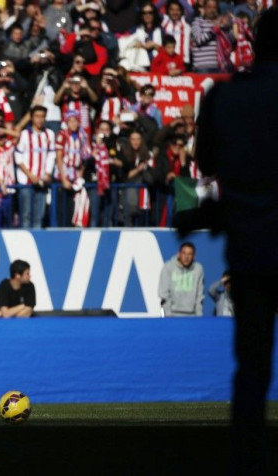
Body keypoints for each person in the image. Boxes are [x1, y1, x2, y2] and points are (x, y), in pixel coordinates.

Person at [190, 10, 278, 471]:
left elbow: (204, 165)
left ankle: (247, 459)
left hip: (252, 249)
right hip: (254, 242)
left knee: (253, 369)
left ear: (256, 44)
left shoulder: (226, 96)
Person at [157, 242, 204, 317]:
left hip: (192, 315)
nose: (186, 257)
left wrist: (199, 318)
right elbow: (164, 294)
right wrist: (169, 316)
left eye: (190, 254)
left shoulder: (198, 269)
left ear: (194, 256)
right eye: (184, 253)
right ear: (179, 254)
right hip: (172, 315)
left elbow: (199, 296)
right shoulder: (168, 267)